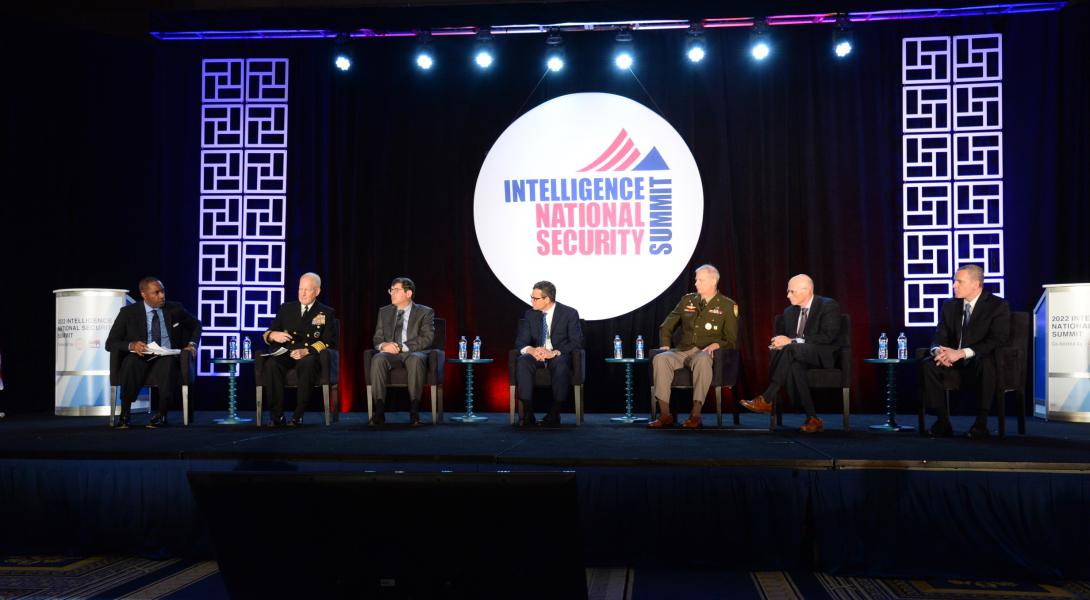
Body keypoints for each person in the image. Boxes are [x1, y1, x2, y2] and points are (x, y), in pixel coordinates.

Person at [740, 274, 842, 433]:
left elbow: (828, 337)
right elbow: (788, 340)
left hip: (821, 354)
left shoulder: (827, 305)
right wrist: (778, 344)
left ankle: (767, 398)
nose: (788, 295)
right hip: (796, 355)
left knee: (792, 349)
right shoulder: (789, 312)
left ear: (806, 290)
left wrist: (792, 342)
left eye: (792, 291)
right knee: (794, 364)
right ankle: (812, 418)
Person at [919, 264, 1010, 439]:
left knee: (987, 362)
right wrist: (938, 351)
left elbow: (998, 339)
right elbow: (940, 334)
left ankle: (981, 424)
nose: (954, 286)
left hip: (978, 360)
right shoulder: (949, 305)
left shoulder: (997, 305)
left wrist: (962, 353)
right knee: (928, 365)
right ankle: (942, 421)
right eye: (955, 282)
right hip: (952, 362)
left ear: (976, 284)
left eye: (959, 282)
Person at [649, 264, 739, 429]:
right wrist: (665, 345)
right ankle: (665, 415)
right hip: (682, 350)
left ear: (713, 281)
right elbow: (667, 325)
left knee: (703, 361)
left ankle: (695, 415)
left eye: (700, 280)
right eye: (696, 280)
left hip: (705, 352)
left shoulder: (727, 305)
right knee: (660, 359)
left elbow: (731, 339)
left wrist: (717, 344)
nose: (696, 283)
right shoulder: (687, 300)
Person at [104, 277, 201, 428]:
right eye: (156, 293)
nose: (162, 296)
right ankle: (125, 414)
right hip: (142, 355)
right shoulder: (128, 313)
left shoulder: (175, 309)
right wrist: (132, 345)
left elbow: (196, 324)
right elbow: (111, 343)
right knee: (130, 362)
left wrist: (192, 344)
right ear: (144, 294)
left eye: (162, 291)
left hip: (167, 355)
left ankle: (162, 415)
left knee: (168, 363)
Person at [262, 272, 337, 426]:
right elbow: (269, 332)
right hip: (287, 351)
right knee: (271, 364)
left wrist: (307, 351)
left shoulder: (326, 312)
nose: (302, 293)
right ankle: (277, 416)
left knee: (307, 364)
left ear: (317, 291)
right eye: (300, 289)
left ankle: (298, 415)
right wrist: (273, 335)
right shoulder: (286, 308)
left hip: (309, 354)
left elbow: (329, 342)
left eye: (307, 290)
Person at [513, 281, 584, 428]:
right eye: (531, 297)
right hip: (537, 355)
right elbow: (520, 342)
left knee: (561, 363)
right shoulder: (530, 314)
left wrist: (555, 352)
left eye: (535, 298)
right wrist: (532, 350)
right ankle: (527, 413)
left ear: (547, 299)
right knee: (523, 361)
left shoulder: (569, 313)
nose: (531, 301)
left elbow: (576, 342)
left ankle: (554, 413)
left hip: (557, 355)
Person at [369, 277, 435, 426]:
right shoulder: (384, 312)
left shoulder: (425, 312)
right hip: (390, 354)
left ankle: (414, 410)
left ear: (408, 293)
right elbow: (377, 338)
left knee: (416, 359)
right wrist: (383, 346)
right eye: (390, 290)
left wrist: (402, 346)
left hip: (413, 352)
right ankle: (379, 411)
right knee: (378, 358)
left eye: (396, 290)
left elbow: (427, 338)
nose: (392, 293)